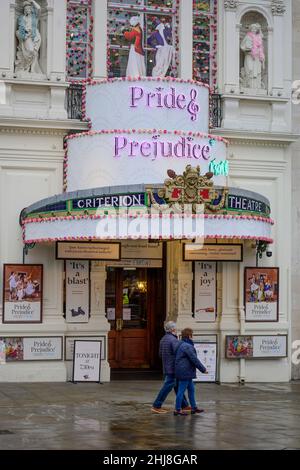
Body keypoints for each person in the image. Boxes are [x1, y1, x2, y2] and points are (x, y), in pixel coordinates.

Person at [152, 321, 189, 414]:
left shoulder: (163, 339)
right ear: (173, 329)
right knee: (168, 386)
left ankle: (184, 405)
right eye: (175, 328)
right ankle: (156, 405)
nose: (176, 330)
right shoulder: (173, 340)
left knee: (176, 385)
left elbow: (160, 354)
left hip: (167, 366)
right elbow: (178, 354)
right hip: (173, 367)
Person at [174, 328, 208, 416]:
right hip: (185, 372)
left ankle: (194, 408)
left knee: (191, 390)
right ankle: (177, 409)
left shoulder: (181, 344)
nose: (193, 336)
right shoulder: (187, 346)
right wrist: (203, 369)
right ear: (189, 336)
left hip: (184, 371)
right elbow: (194, 359)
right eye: (192, 334)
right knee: (181, 391)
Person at [15, 0, 42, 74]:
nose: (27, 10)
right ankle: (25, 67)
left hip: (35, 36)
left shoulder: (35, 17)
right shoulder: (22, 18)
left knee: (34, 53)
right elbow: (20, 29)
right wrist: (24, 33)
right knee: (30, 51)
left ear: (31, 9)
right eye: (25, 9)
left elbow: (39, 9)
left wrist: (33, 1)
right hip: (26, 37)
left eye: (28, 9)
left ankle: (32, 69)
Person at [240, 23, 265, 89]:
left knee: (257, 72)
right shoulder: (247, 37)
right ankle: (248, 85)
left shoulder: (258, 38)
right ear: (250, 29)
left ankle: (257, 86)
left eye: (255, 29)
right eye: (253, 28)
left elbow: (261, 49)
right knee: (249, 70)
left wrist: (259, 52)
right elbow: (243, 47)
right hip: (249, 56)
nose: (254, 30)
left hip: (256, 58)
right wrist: (250, 49)